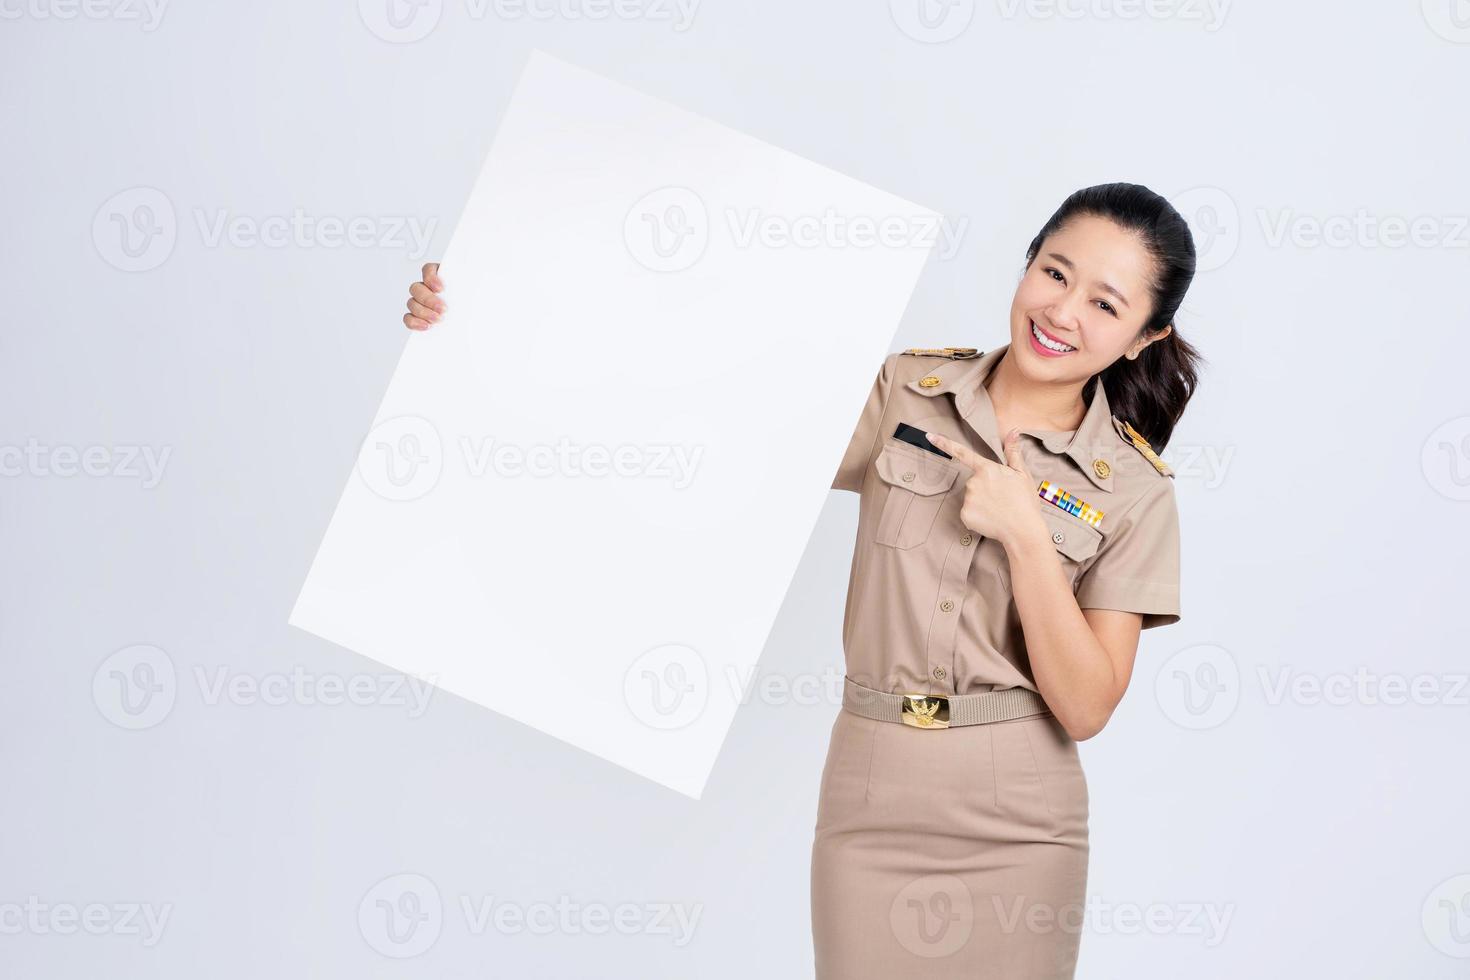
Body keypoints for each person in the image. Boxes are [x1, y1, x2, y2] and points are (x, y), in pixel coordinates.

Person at [399, 180, 1202, 978]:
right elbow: (704, 416)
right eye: (1055, 273)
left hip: (1021, 815)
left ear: (1143, 336)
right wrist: (487, 312)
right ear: (1028, 263)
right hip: (872, 785)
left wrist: (1030, 537)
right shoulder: (906, 390)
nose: (1063, 311)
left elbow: (1089, 705)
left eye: (1105, 304)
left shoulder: (1133, 489)